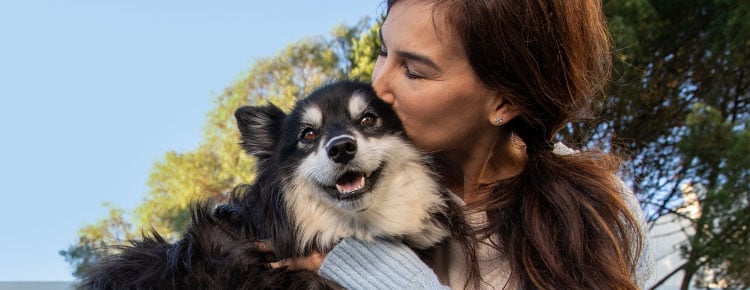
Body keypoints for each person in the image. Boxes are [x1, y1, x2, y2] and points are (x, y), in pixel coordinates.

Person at [279, 0, 655, 288]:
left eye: (414, 71)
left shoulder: (601, 214)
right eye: (383, 51)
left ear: (505, 102)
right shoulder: (333, 193)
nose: (377, 86)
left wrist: (378, 271)